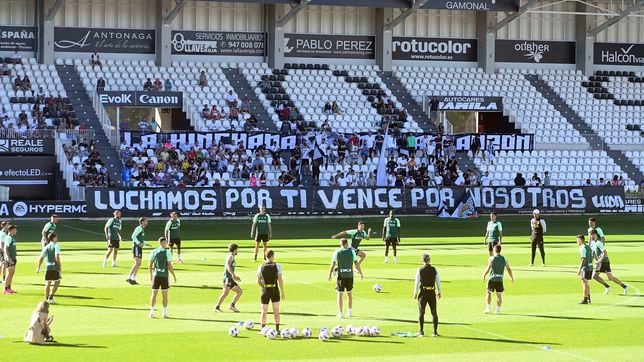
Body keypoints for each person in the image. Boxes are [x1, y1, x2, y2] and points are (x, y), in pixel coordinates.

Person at [328, 238, 363, 318]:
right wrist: (360, 272)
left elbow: (332, 265)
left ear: (340, 244)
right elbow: (356, 263)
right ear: (347, 243)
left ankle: (340, 313)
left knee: (340, 294)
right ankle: (349, 312)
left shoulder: (337, 252)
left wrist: (329, 274)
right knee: (349, 293)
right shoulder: (352, 252)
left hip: (341, 276)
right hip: (350, 275)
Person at [589, 230, 628, 295]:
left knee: (595, 276)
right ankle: (625, 287)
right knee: (610, 277)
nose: (591, 236)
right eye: (590, 235)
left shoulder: (599, 243)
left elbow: (605, 253)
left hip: (603, 262)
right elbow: (593, 253)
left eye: (592, 235)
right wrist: (591, 261)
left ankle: (607, 287)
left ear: (595, 234)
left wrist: (599, 261)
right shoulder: (593, 243)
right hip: (604, 262)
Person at [413, 253, 442, 337]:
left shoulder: (420, 270)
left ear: (422, 261)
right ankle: (435, 332)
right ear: (429, 260)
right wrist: (439, 291)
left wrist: (415, 293)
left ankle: (421, 332)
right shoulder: (434, 269)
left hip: (423, 293)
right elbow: (438, 282)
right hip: (432, 292)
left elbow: (417, 283)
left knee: (421, 312)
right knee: (434, 312)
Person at [257, 249, 285, 332]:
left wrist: (263, 287)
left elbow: (258, 281)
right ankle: (277, 329)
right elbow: (280, 280)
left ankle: (262, 329)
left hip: (265, 291)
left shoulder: (260, 266)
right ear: (272, 256)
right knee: (276, 311)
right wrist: (282, 291)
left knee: (264, 311)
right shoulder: (278, 266)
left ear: (266, 256)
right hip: (274, 290)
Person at [149, 237, 177, 319]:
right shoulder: (167, 252)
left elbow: (150, 265)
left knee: (154, 294)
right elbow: (170, 265)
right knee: (164, 295)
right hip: (164, 276)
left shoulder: (154, 251)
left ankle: (152, 312)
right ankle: (164, 313)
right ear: (161, 243)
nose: (166, 244)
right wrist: (174, 275)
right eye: (165, 243)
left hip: (156, 275)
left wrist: (151, 275)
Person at [483, 244, 514, 314]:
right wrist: (511, 277)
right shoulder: (504, 259)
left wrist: (484, 275)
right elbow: (509, 269)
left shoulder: (491, 258)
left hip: (492, 279)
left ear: (494, 250)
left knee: (488, 292)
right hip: (500, 279)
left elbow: (488, 268)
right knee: (499, 295)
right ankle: (498, 310)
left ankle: (488, 308)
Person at [215, 243, 243, 313]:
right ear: (235, 249)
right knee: (225, 293)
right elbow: (228, 266)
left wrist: (234, 276)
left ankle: (232, 305)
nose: (237, 251)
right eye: (237, 249)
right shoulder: (230, 257)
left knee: (239, 291)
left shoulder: (232, 256)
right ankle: (217, 307)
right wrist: (233, 275)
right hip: (227, 278)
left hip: (230, 279)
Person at [36, 233, 61, 304]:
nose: (57, 238)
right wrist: (59, 266)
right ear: (53, 238)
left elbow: (41, 257)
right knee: (57, 281)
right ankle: (51, 297)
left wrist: (38, 267)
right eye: (56, 237)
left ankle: (46, 299)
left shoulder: (46, 246)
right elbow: (57, 256)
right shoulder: (56, 246)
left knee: (48, 282)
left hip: (48, 266)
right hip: (54, 266)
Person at [126, 217, 150, 285]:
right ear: (142, 222)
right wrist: (138, 243)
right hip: (136, 247)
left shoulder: (142, 229)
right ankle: (130, 278)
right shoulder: (139, 228)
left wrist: (146, 243)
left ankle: (132, 278)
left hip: (138, 247)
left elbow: (140, 239)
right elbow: (133, 236)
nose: (147, 222)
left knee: (138, 264)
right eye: (146, 221)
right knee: (137, 263)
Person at [577, 235, 593, 304]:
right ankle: (588, 297)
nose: (577, 242)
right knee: (586, 283)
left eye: (577, 240)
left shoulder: (583, 248)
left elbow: (583, 259)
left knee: (584, 283)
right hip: (590, 267)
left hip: (586, 268)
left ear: (581, 240)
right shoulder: (588, 247)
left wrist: (580, 269)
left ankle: (585, 299)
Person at [3, 225, 18, 294]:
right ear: (11, 230)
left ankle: (9, 288)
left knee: (11, 274)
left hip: (13, 258)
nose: (16, 231)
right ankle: (6, 289)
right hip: (10, 258)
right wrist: (8, 258)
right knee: (9, 274)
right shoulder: (9, 238)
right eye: (15, 229)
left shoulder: (11, 238)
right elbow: (6, 248)